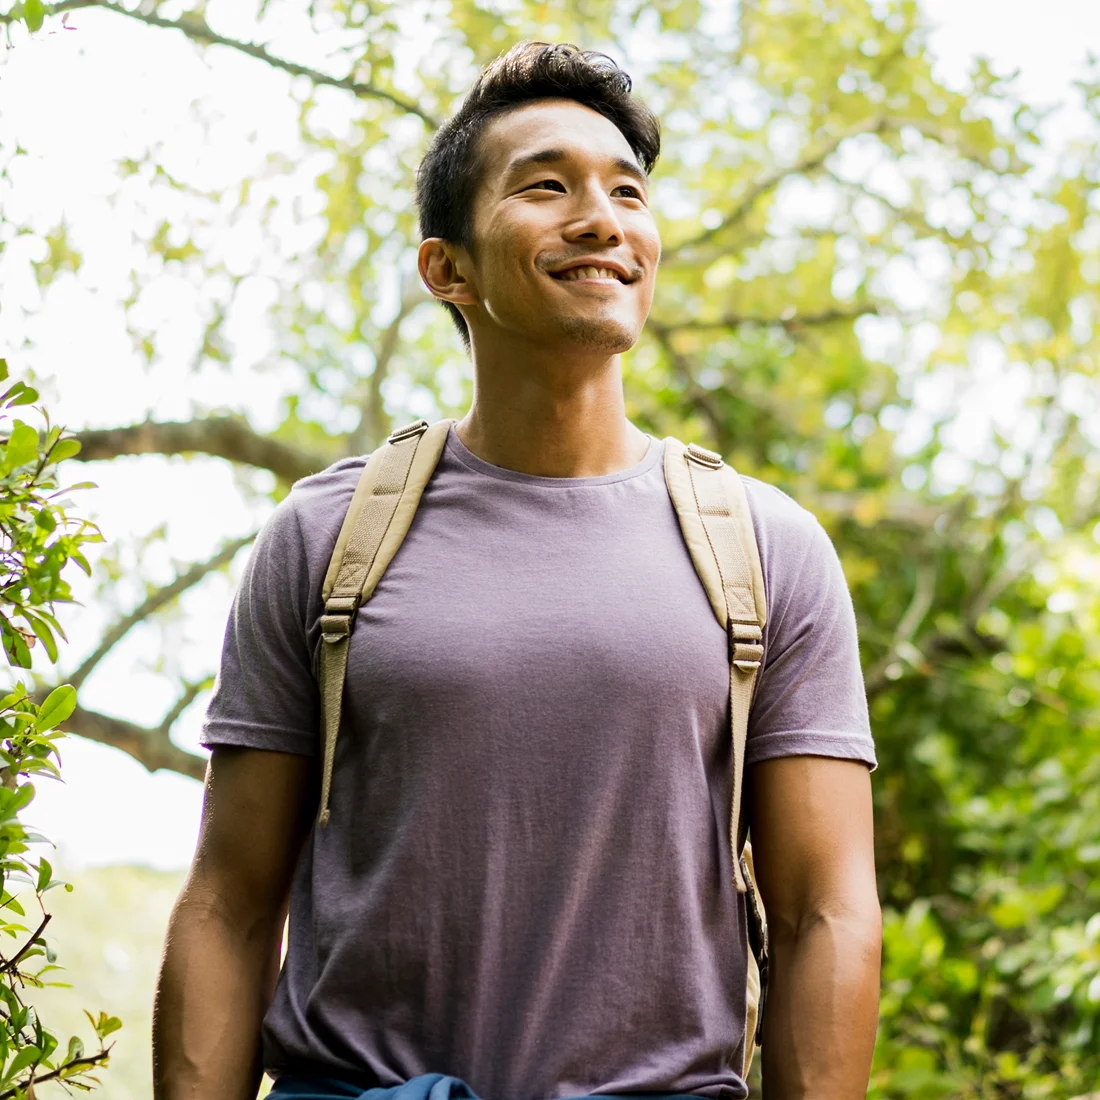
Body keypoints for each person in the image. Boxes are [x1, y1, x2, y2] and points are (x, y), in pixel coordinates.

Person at [152, 41, 881, 1100]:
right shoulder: (323, 537)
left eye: (626, 192)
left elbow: (825, 907)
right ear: (445, 266)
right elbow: (226, 900)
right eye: (547, 186)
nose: (602, 219)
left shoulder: (766, 549)